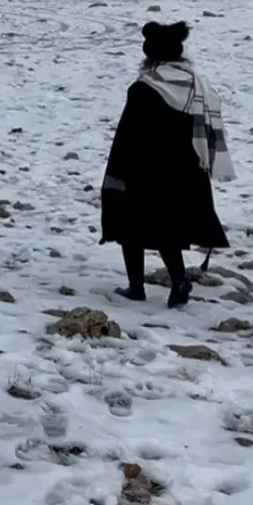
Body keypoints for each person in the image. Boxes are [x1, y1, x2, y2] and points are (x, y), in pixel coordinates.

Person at [100, 21, 233, 308]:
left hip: (145, 170)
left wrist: (115, 175)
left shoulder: (145, 88)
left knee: (130, 227)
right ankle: (179, 279)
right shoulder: (199, 85)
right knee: (168, 229)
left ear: (151, 55)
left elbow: (128, 136)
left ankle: (136, 288)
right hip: (188, 171)